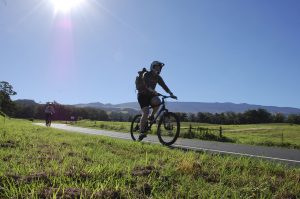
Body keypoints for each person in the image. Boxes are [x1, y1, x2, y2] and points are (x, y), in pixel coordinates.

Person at [136, 61, 176, 141]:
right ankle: (141, 132)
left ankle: (151, 116)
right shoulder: (146, 74)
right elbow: (146, 85)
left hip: (151, 94)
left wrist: (171, 93)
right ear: (152, 67)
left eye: (159, 68)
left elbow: (164, 86)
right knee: (146, 112)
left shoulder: (158, 77)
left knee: (158, 102)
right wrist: (153, 91)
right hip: (142, 95)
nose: (158, 69)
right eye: (157, 67)